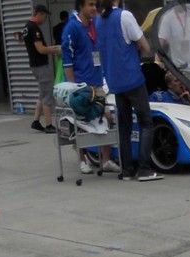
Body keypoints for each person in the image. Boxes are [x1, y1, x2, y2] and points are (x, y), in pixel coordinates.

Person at [97, 0, 163, 180]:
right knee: (146, 123)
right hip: (132, 78)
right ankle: (144, 169)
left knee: (124, 127)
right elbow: (145, 46)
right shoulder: (124, 16)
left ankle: (127, 170)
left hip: (115, 81)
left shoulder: (99, 21)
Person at [63, 0, 123, 173]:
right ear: (80, 6)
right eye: (90, 5)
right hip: (81, 85)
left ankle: (105, 160)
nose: (94, 8)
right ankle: (82, 160)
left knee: (106, 117)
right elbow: (67, 61)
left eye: (95, 5)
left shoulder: (94, 23)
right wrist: (74, 88)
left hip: (97, 82)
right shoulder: (72, 28)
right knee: (81, 123)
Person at [23, 5, 61, 132]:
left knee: (42, 93)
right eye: (45, 16)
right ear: (39, 14)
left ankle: (36, 121)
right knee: (47, 94)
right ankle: (49, 125)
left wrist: (53, 48)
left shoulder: (27, 26)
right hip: (40, 65)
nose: (45, 19)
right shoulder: (34, 28)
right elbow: (40, 49)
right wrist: (56, 50)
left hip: (35, 65)